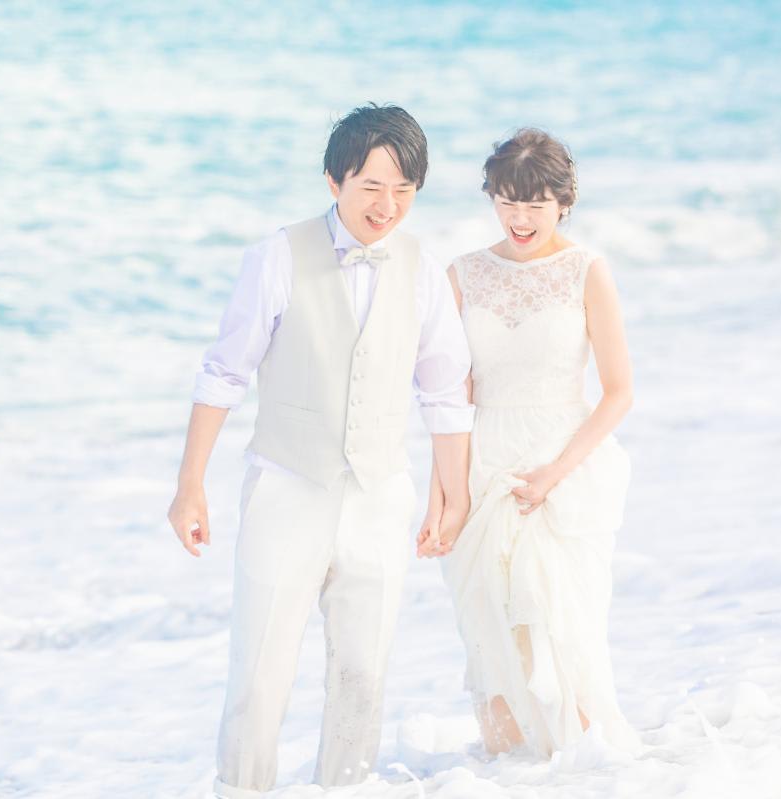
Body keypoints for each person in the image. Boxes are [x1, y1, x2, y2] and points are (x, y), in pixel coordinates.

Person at [166, 104, 475, 797]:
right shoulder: (276, 257)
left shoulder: (423, 270)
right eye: (372, 187)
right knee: (258, 677)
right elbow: (224, 374)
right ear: (334, 181)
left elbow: (445, 390)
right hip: (287, 487)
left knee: (363, 677)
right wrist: (190, 484)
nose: (387, 206)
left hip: (379, 496)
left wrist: (451, 495)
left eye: (404, 190)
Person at [429, 128, 642, 756]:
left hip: (563, 465)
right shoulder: (462, 274)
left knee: (562, 630)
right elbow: (450, 400)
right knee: (490, 634)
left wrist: (554, 473)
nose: (520, 218)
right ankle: (503, 779)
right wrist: (442, 499)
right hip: (483, 463)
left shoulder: (586, 271)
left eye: (535, 204)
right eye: (507, 202)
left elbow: (619, 392)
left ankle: (587, 776)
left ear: (563, 202)